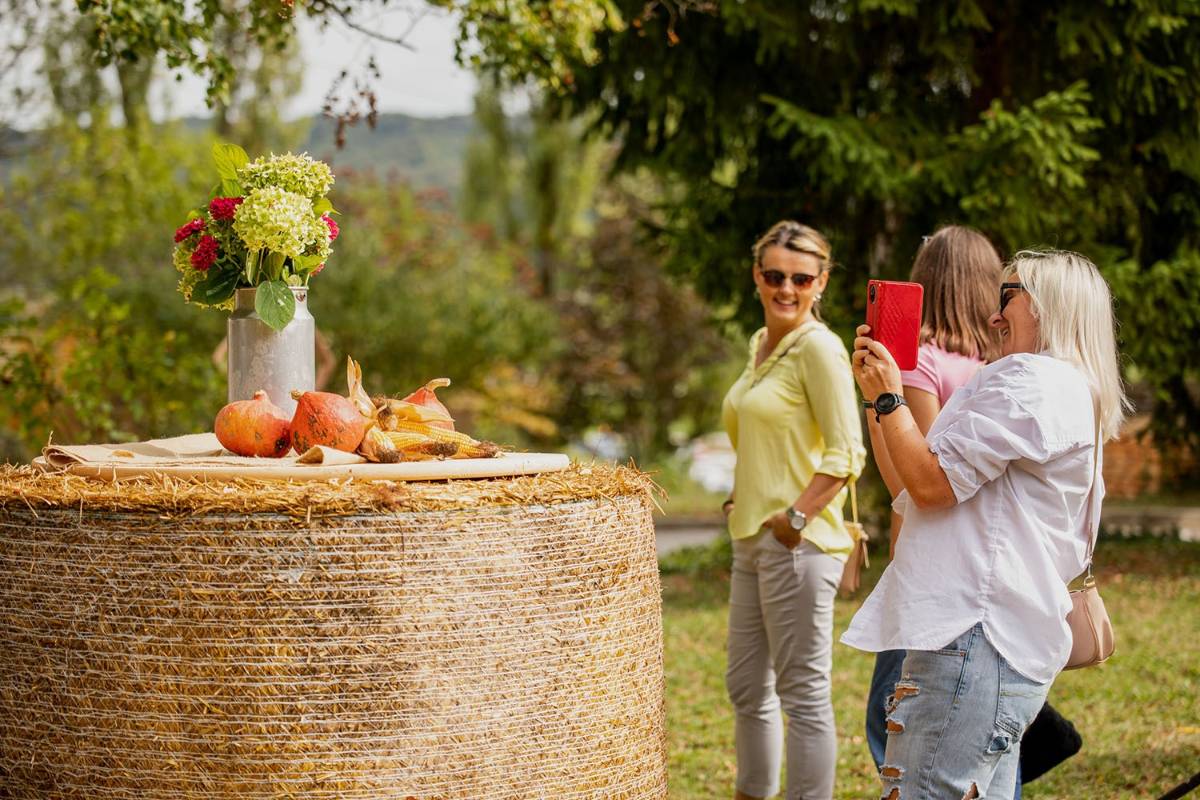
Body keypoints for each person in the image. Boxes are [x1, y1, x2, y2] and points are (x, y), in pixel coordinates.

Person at [845, 250, 1129, 799]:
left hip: (973, 641)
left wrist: (889, 394)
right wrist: (880, 403)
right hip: (990, 644)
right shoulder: (1067, 388)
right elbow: (914, 489)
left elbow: (930, 484)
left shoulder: (1030, 382)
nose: (994, 316)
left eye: (1008, 297)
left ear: (1051, 307)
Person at [721, 220, 866, 800]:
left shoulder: (820, 349)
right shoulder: (759, 343)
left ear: (821, 281)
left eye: (801, 278)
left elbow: (846, 450)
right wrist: (745, 494)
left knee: (802, 694)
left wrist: (796, 517)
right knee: (745, 689)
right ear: (758, 275)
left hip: (797, 546)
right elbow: (760, 437)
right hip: (751, 538)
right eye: (775, 275)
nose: (787, 288)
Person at [861, 226, 1003, 774]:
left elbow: (910, 483)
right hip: (984, 566)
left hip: (927, 567)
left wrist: (879, 404)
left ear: (926, 280)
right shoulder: (1000, 368)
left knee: (890, 718)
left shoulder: (920, 363)